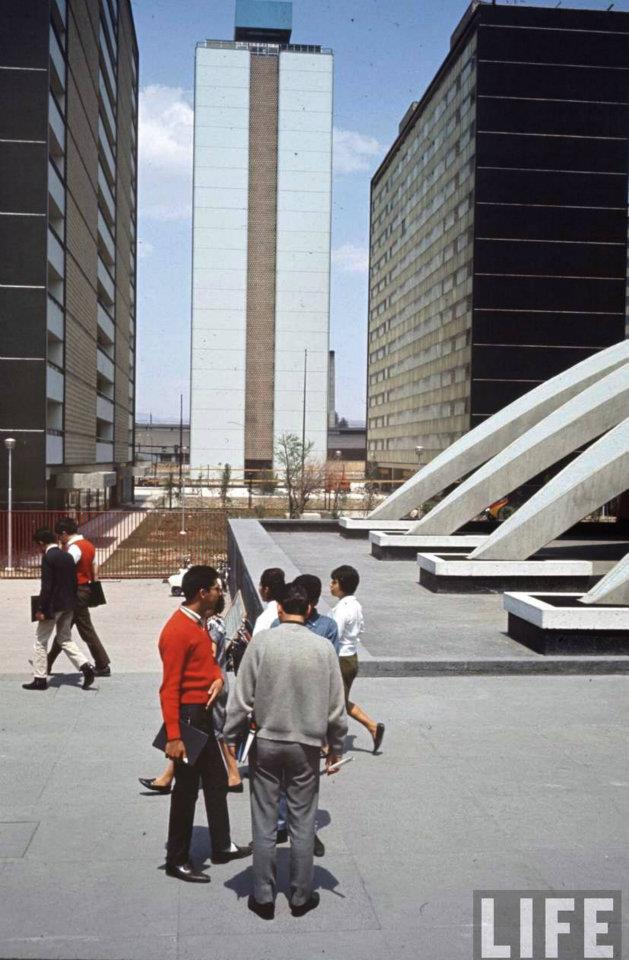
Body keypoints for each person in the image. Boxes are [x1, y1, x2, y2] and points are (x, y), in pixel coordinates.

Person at [224, 580, 347, 920]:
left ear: (279, 609)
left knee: (264, 820)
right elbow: (336, 708)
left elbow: (241, 698)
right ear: (309, 610)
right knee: (303, 822)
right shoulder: (323, 648)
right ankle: (301, 896)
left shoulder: (262, 643)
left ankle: (263, 897)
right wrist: (335, 747)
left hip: (266, 743)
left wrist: (230, 736)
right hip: (306, 746)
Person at [158, 564, 251, 882]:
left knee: (215, 780)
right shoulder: (177, 631)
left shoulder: (198, 623)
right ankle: (177, 859)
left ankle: (222, 845)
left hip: (202, 715)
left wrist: (217, 679)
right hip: (188, 718)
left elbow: (208, 663)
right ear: (202, 593)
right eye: (216, 588)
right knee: (185, 790)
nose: (219, 593)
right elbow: (168, 688)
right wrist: (174, 736)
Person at [140, 586, 243, 795]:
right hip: (217, 683)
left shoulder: (208, 626)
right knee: (210, 732)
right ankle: (228, 775)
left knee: (204, 733)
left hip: (208, 688)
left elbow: (208, 655)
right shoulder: (218, 623)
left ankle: (227, 775)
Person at [271, 573, 338, 856]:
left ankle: (306, 830)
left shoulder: (327, 627)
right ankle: (280, 824)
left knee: (307, 782)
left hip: (311, 714)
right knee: (280, 779)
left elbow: (331, 676)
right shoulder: (278, 625)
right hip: (283, 711)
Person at [23, 528, 95, 691]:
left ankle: (40, 678)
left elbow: (47, 586)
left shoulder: (49, 557)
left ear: (41, 543)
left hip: (52, 606)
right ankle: (85, 666)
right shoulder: (66, 556)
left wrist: (41, 608)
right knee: (65, 638)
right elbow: (73, 582)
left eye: (38, 545)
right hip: (68, 604)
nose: (39, 549)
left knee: (41, 640)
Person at [330, 565, 385, 754]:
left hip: (341, 659)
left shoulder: (342, 609)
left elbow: (334, 635)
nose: (331, 585)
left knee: (336, 704)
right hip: (351, 657)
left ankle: (370, 728)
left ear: (342, 585)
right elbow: (360, 629)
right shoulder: (355, 605)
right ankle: (372, 728)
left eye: (334, 582)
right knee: (339, 701)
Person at [47, 518, 111, 677]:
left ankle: (102, 665)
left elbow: (65, 567)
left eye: (59, 536)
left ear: (64, 533)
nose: (59, 540)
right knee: (66, 630)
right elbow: (94, 568)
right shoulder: (88, 545)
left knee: (83, 630)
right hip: (84, 590)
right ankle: (47, 662)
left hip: (76, 592)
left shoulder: (74, 548)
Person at [252, 567, 285, 635]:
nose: (259, 589)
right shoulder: (290, 609)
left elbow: (257, 640)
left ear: (266, 590)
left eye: (260, 585)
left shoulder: (264, 619)